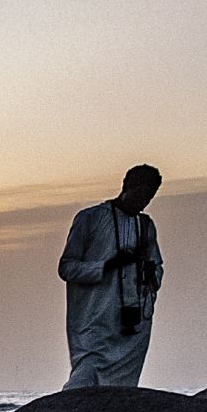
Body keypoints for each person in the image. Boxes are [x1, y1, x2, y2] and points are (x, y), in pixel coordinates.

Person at [58, 164, 165, 389]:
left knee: (123, 390)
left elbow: (157, 268)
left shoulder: (146, 226)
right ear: (126, 186)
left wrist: (149, 274)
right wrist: (107, 266)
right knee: (85, 378)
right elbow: (66, 268)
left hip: (134, 325)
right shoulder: (91, 218)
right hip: (95, 321)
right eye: (141, 194)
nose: (144, 202)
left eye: (149, 197)